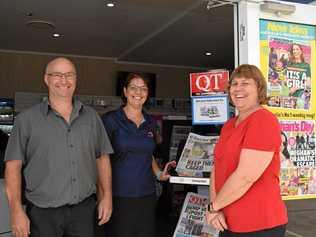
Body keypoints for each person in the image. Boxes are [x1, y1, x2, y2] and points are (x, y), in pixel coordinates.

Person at [4, 57, 113, 237]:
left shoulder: (91, 117)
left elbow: (102, 158)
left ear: (76, 80)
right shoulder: (27, 120)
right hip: (42, 215)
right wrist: (16, 211)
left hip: (83, 212)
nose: (64, 80)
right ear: (46, 79)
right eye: (57, 75)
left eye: (69, 75)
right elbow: (12, 167)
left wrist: (106, 196)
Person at [206, 64, 288, 237]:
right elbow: (217, 168)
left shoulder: (263, 120)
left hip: (259, 224)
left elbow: (246, 176)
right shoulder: (229, 125)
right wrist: (215, 207)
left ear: (259, 88)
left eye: (245, 83)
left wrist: (213, 207)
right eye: (234, 84)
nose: (238, 89)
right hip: (226, 220)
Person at [102, 72, 176, 237]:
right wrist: (103, 196)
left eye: (143, 89)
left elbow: (146, 153)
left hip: (147, 195)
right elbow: (101, 159)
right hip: (119, 195)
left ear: (147, 93)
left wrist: (158, 173)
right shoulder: (110, 120)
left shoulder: (150, 122)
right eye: (133, 88)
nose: (139, 92)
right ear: (125, 91)